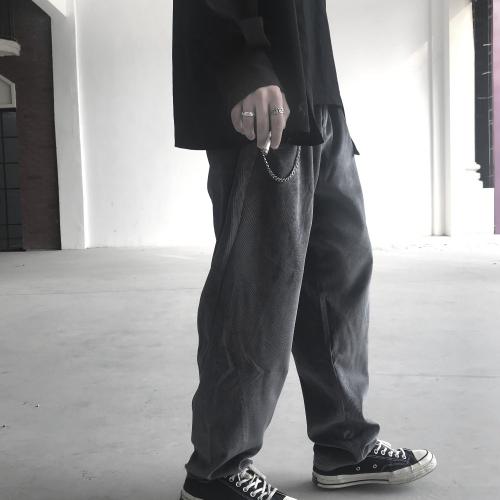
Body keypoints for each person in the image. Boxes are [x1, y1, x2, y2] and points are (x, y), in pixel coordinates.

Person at [172, 1, 437, 498]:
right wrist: (246, 66)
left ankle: (344, 445)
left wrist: (325, 106)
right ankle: (217, 470)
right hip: (267, 96)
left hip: (318, 99)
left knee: (339, 275)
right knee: (258, 289)